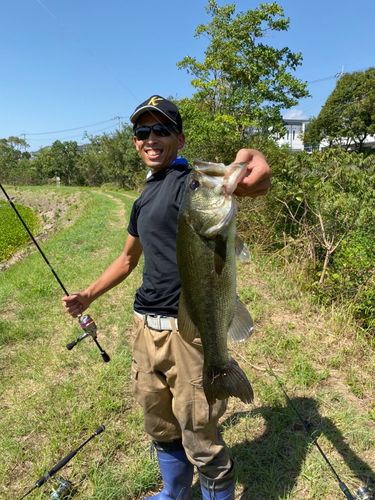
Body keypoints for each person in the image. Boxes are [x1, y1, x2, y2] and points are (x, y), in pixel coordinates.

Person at [62, 95, 271, 500]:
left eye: (161, 130)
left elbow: (251, 181)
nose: (151, 138)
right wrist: (88, 295)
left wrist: (251, 161)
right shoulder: (145, 195)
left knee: (200, 435)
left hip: (188, 332)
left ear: (179, 138)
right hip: (145, 329)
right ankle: (173, 493)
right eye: (142, 132)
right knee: (160, 424)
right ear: (136, 140)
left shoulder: (188, 183)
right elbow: (127, 259)